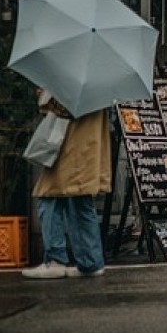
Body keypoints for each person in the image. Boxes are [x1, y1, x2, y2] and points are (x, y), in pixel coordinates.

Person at [21, 91, 111, 279]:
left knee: (48, 196)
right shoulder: (102, 81)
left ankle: (55, 260)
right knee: (81, 199)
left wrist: (47, 95)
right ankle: (90, 262)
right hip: (89, 145)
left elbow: (64, 107)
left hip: (70, 145)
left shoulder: (76, 78)